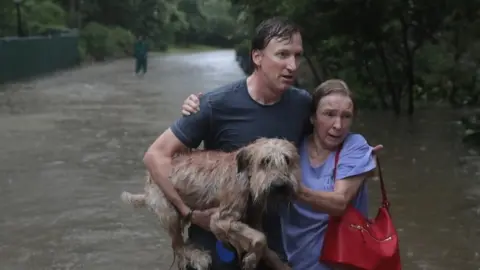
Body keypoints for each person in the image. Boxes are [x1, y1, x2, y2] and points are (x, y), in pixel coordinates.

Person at [143, 16, 310, 270]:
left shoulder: (302, 104)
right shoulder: (214, 104)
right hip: (215, 249)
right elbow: (155, 156)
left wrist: (359, 151)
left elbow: (330, 133)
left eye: (297, 56)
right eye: (282, 54)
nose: (292, 65)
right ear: (257, 57)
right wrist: (188, 213)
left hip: (270, 247)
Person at [181, 79, 382, 270]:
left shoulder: (354, 146)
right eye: (329, 114)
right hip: (293, 261)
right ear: (312, 117)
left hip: (340, 261)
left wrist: (286, 186)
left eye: (346, 116)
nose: (338, 125)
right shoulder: (292, 151)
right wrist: (199, 107)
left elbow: (339, 203)